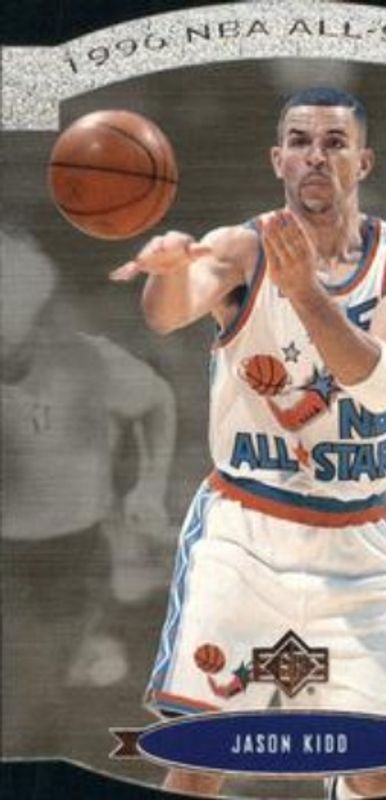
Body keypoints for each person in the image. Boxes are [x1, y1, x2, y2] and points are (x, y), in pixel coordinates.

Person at [111, 87, 386, 798]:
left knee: (382, 770)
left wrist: (305, 295)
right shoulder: (242, 247)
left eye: (334, 142)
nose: (315, 155)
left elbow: (380, 387)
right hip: (246, 534)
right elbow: (168, 314)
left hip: (356, 544)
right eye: (299, 141)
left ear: (363, 161)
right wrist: (167, 273)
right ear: (277, 159)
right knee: (200, 756)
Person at [2, 223, 176, 753]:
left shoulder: (89, 362)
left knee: (33, 695)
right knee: (23, 693)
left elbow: (157, 401)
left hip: (70, 555)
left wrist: (149, 487)